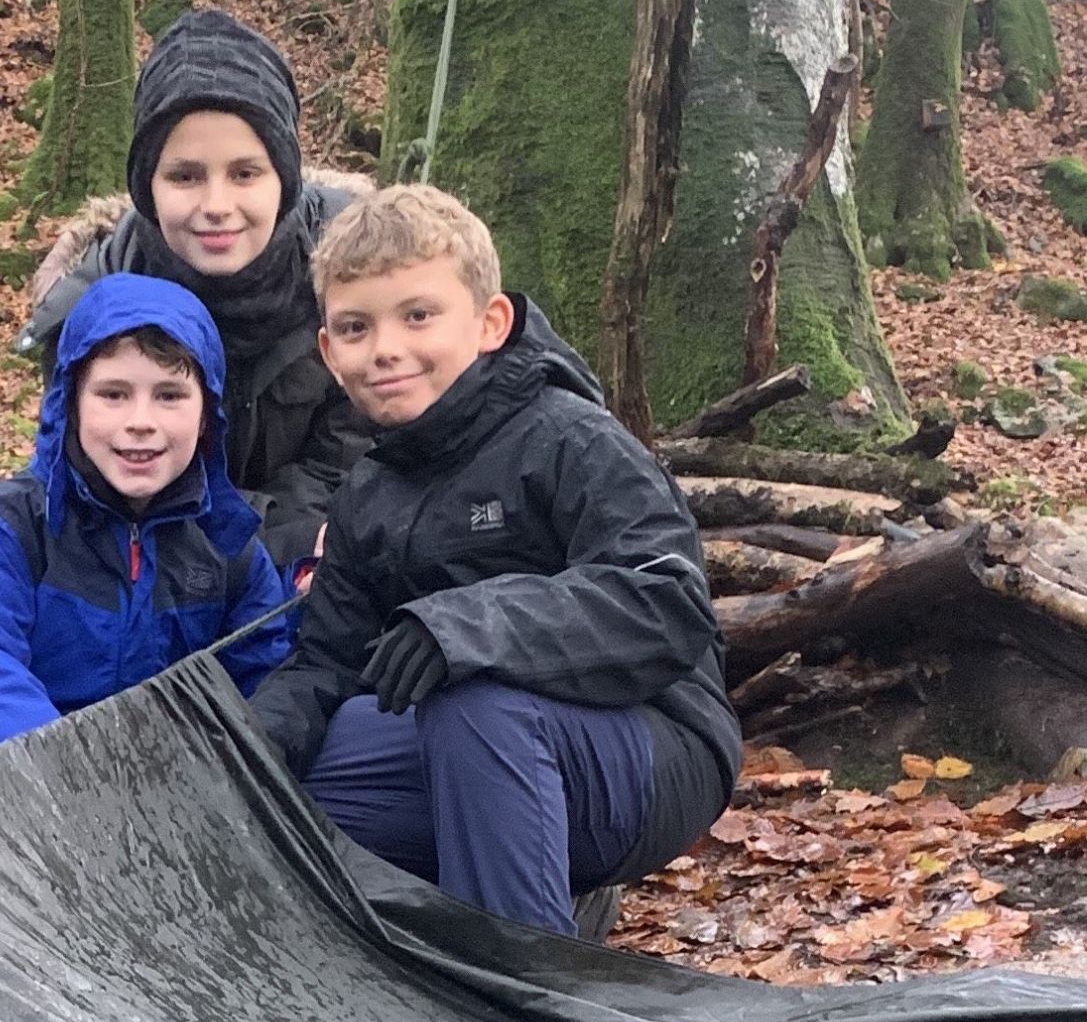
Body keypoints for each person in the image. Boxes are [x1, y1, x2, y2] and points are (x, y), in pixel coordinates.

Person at [250, 183, 741, 938]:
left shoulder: (572, 439)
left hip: (652, 748)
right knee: (269, 782)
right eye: (355, 327)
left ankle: (527, 984)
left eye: (418, 316)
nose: (385, 349)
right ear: (328, 352)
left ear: (490, 323)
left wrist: (467, 627)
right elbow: (329, 663)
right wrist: (249, 741)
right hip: (462, 751)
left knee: (475, 704)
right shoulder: (364, 496)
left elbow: (666, 604)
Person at [22, 5, 367, 571]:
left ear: (283, 178)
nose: (216, 206)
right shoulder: (89, 312)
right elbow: (84, 488)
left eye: (245, 174)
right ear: (147, 186)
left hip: (325, 565)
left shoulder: (362, 281)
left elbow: (359, 458)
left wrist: (275, 547)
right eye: (184, 176)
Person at [0, 274, 294, 771]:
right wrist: (77, 780)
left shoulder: (228, 543)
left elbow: (262, 677)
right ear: (70, 404)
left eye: (170, 396)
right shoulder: (7, 528)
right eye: (113, 394)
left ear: (206, 416)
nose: (141, 421)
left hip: (160, 773)